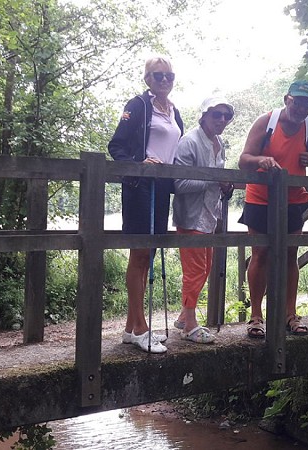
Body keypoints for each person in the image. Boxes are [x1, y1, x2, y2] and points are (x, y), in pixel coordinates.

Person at [107, 56, 184, 353]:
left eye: (169, 75)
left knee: (148, 254)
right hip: (140, 187)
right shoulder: (138, 105)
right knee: (139, 254)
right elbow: (116, 146)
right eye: (158, 75)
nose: (165, 80)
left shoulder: (174, 111)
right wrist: (138, 165)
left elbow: (176, 151)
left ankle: (131, 328)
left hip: (162, 187)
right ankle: (140, 328)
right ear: (147, 79)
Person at [237, 80, 308, 338]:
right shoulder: (266, 122)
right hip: (261, 196)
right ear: (287, 100)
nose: (301, 108)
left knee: (289, 254)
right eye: (297, 102)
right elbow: (244, 160)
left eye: (307, 103)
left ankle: (289, 315)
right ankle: (256, 317)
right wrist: (262, 160)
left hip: (294, 197)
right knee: (260, 253)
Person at [171, 97, 236, 344]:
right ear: (204, 115)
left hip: (210, 216)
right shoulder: (189, 141)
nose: (222, 120)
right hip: (191, 216)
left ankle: (182, 317)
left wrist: (225, 186)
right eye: (217, 114)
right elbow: (180, 183)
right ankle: (189, 325)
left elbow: (219, 183)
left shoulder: (218, 143)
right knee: (195, 270)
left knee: (204, 268)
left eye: (226, 116)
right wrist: (214, 179)